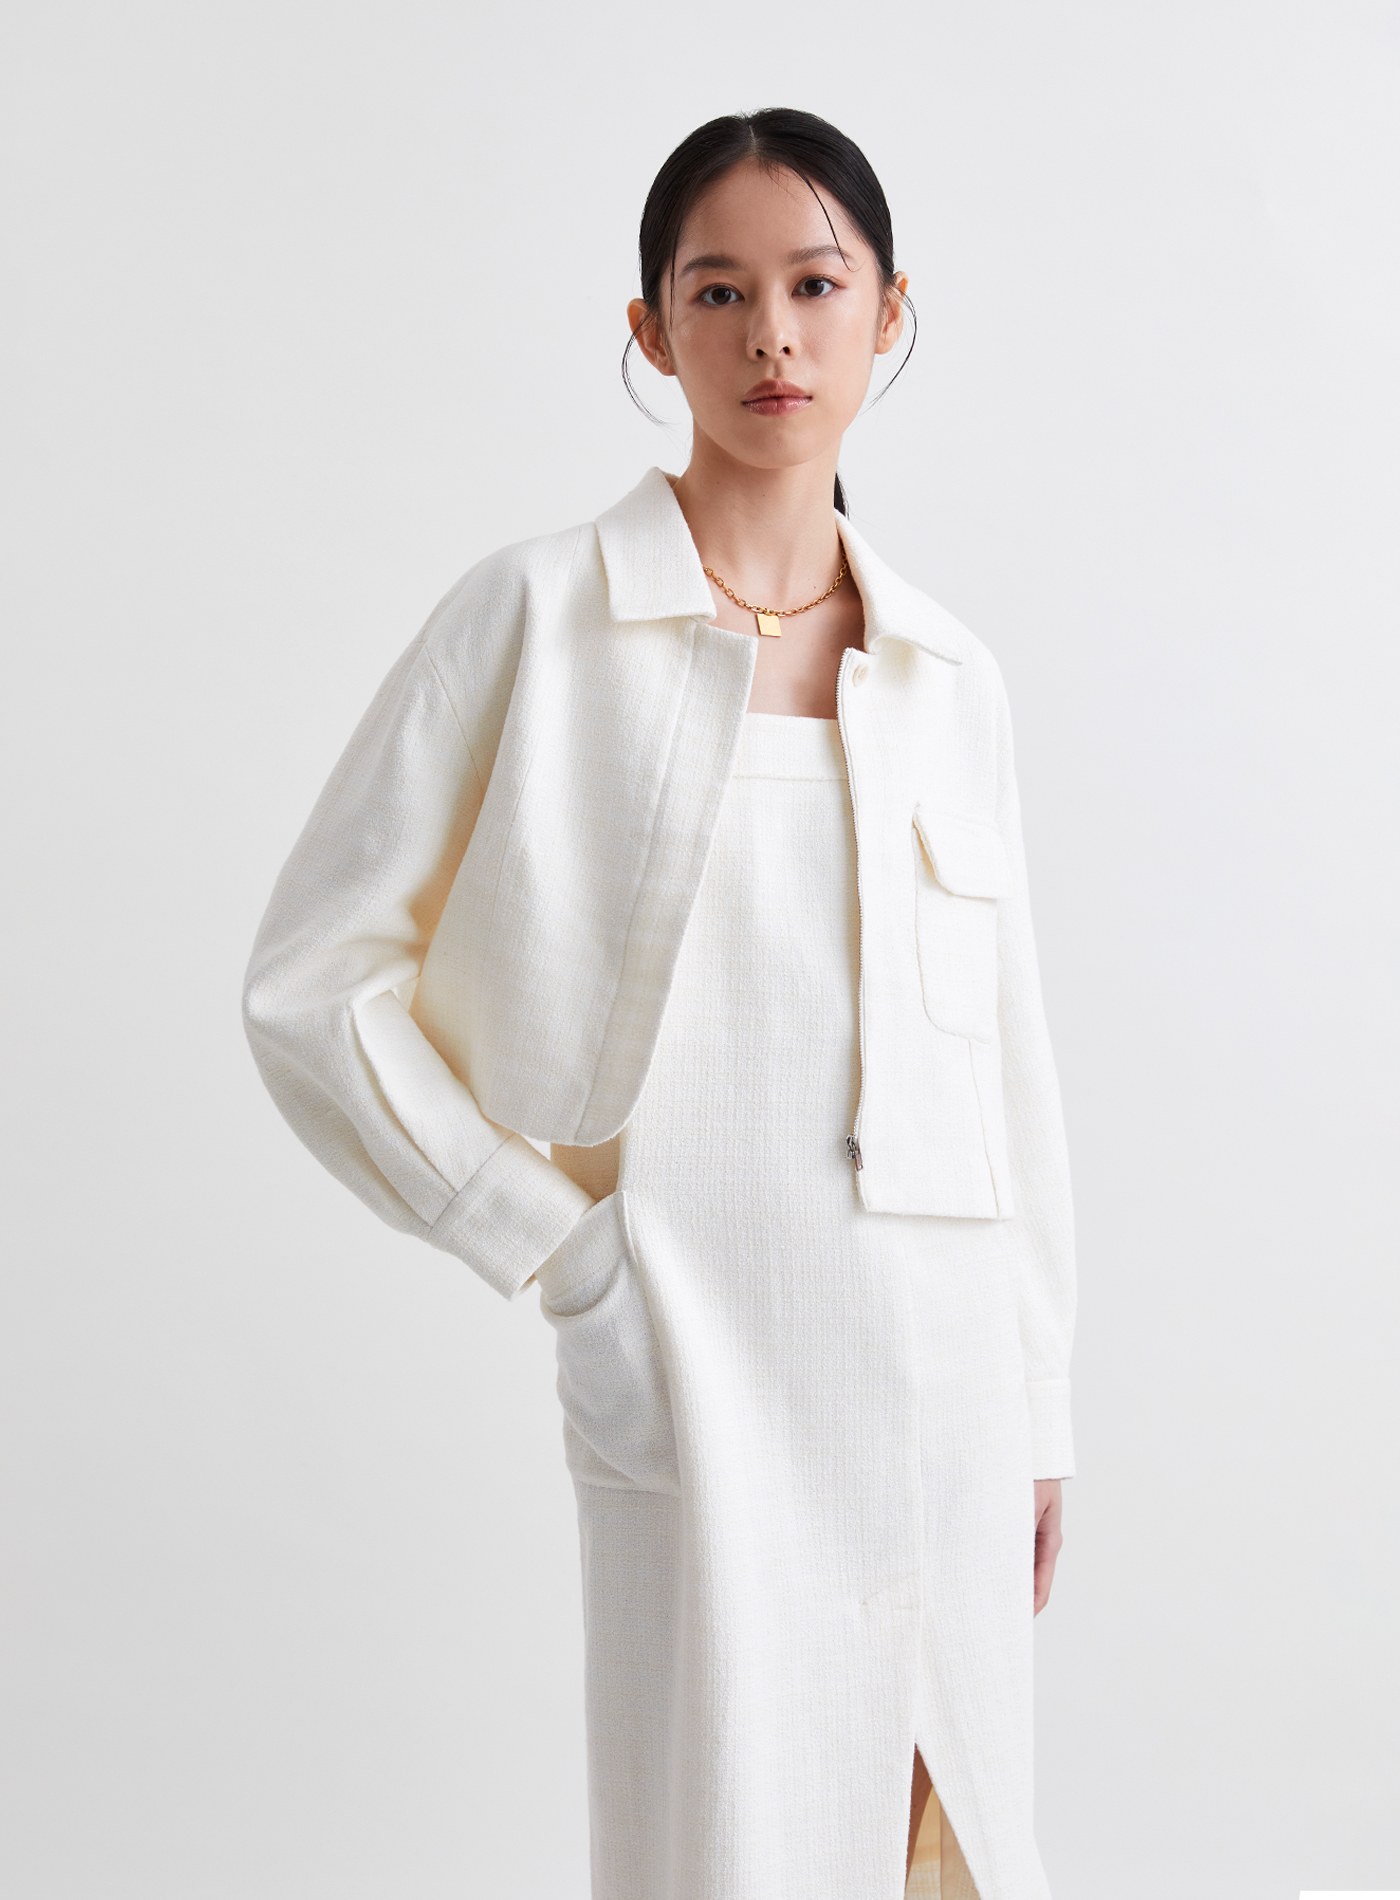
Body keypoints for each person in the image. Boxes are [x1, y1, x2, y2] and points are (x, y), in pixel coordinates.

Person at [242, 106, 1078, 1900]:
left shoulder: (949, 676)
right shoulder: (538, 618)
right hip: (692, 1355)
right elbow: (313, 989)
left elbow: (1008, 1072)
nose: (773, 334)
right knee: (724, 1842)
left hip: (943, 1385)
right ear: (652, 330)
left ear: (890, 313)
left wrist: (1039, 1404)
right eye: (719, 291)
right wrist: (565, 1261)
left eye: (816, 285)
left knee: (950, 1851)